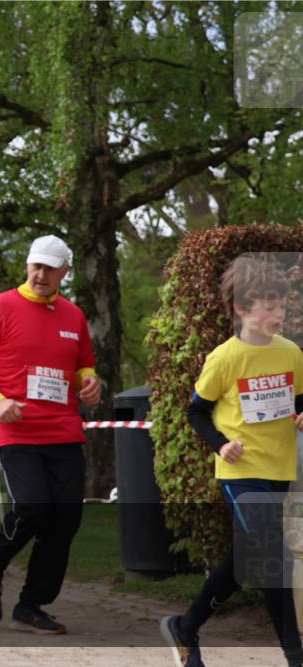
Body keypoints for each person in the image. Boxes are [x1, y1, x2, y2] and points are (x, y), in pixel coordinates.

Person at [161, 257, 303, 667]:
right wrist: (221, 445)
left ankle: (185, 626)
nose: (278, 314)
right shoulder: (224, 358)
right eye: (268, 306)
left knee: (247, 560)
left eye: (281, 305)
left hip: (279, 470)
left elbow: (298, 400)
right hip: (241, 473)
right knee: (276, 559)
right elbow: (196, 412)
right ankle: (295, 657)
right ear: (241, 308)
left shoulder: (292, 353)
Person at [0, 234, 101, 634]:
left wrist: (90, 382)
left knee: (65, 519)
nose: (40, 274)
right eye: (36, 266)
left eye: (49, 268)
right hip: (17, 429)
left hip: (64, 430)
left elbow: (83, 365)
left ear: (65, 271)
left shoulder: (73, 316)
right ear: (27, 265)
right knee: (32, 507)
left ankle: (31, 605)